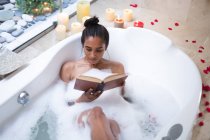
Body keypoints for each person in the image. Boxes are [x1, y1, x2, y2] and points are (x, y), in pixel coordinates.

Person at [60, 16, 125, 103]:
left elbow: (122, 98)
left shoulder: (117, 68)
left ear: (106, 47)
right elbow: (62, 106)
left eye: (98, 50)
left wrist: (123, 88)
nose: (92, 55)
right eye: (88, 49)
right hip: (78, 112)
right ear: (83, 45)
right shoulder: (69, 68)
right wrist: (81, 100)